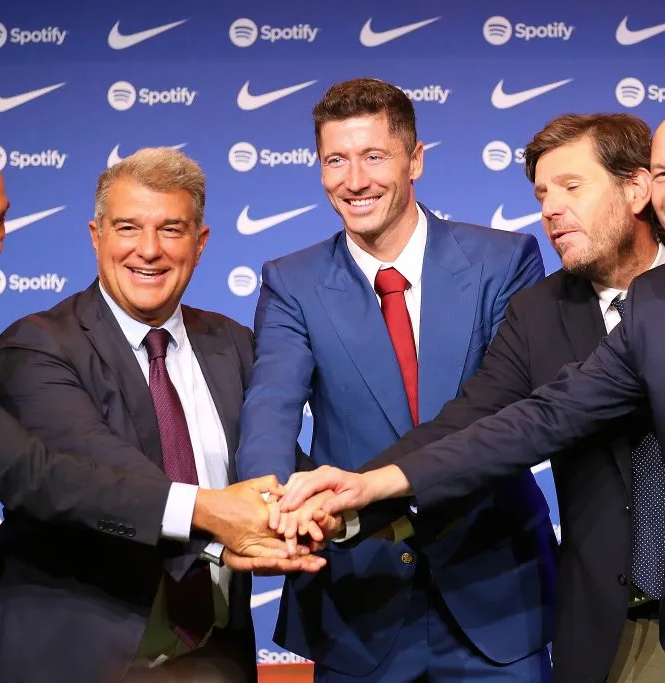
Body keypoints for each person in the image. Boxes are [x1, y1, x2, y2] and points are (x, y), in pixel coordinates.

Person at [283, 104, 665, 682]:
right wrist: (366, 489)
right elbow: (509, 423)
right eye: (541, 195)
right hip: (615, 622)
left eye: (571, 187)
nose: (550, 209)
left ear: (636, 191)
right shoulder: (588, 314)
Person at [0, 129, 310, 683]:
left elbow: (278, 465)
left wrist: (353, 497)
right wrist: (209, 513)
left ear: (200, 242)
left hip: (211, 658)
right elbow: (31, 471)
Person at [236, 78, 556, 682]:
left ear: (415, 160)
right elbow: (271, 405)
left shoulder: (502, 261)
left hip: (492, 593)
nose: (354, 181)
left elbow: (504, 410)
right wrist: (273, 505)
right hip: (359, 604)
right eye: (335, 160)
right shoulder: (291, 280)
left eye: (373, 156)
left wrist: (377, 493)